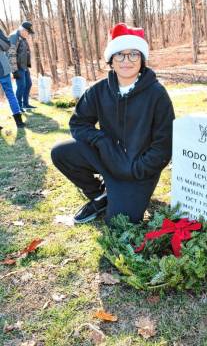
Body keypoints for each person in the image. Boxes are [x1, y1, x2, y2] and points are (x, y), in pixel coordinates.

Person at [51, 22, 175, 225]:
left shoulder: (156, 94)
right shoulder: (99, 91)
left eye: (133, 54)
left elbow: (164, 144)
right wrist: (101, 139)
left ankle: (119, 196)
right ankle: (100, 194)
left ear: (142, 59)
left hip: (138, 172)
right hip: (107, 159)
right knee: (61, 152)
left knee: (119, 223)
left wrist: (138, 169)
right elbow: (78, 123)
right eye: (120, 54)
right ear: (111, 59)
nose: (126, 61)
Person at [0, 28, 25, 128]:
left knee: (10, 94)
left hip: (3, 68)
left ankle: (19, 122)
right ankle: (19, 122)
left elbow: (7, 45)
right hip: (3, 68)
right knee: (10, 94)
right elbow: (7, 45)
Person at [9, 21, 36, 112]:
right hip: (18, 67)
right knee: (21, 86)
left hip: (24, 66)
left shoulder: (22, 37)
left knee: (28, 84)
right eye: (28, 32)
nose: (28, 34)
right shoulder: (14, 37)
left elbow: (25, 52)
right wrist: (14, 70)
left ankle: (25, 104)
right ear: (23, 30)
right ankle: (18, 107)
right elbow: (11, 54)